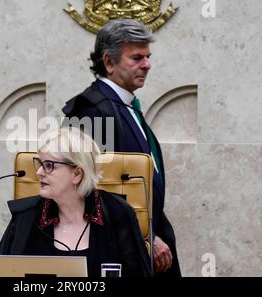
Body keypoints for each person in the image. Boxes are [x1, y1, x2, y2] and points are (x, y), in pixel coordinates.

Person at [62, 19, 181, 276]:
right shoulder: (92, 110)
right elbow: (92, 190)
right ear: (109, 62)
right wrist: (144, 238)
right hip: (118, 257)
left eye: (148, 56)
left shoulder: (123, 106)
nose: (147, 64)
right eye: (137, 57)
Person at [0, 127, 152, 277]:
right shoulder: (26, 216)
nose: (38, 173)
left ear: (77, 173)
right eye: (39, 164)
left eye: (48, 165)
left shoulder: (117, 212)